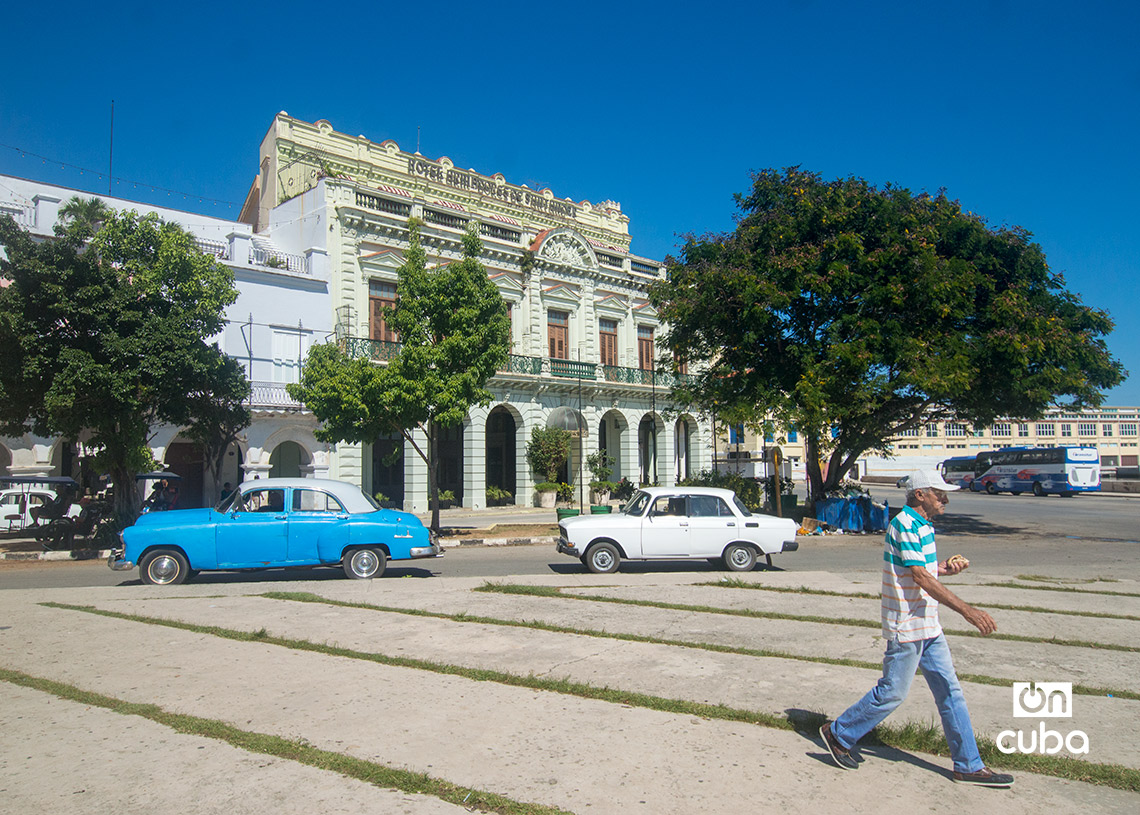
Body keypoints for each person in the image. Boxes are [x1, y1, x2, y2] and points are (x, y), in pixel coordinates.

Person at [818, 469, 1014, 787]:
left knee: (951, 693)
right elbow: (920, 578)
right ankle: (838, 732)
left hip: (928, 625)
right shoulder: (905, 524)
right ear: (921, 495)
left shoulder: (924, 526)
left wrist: (947, 569)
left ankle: (968, 764)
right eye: (940, 493)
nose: (945, 499)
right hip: (907, 625)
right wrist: (967, 610)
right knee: (892, 693)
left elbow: (924, 568)